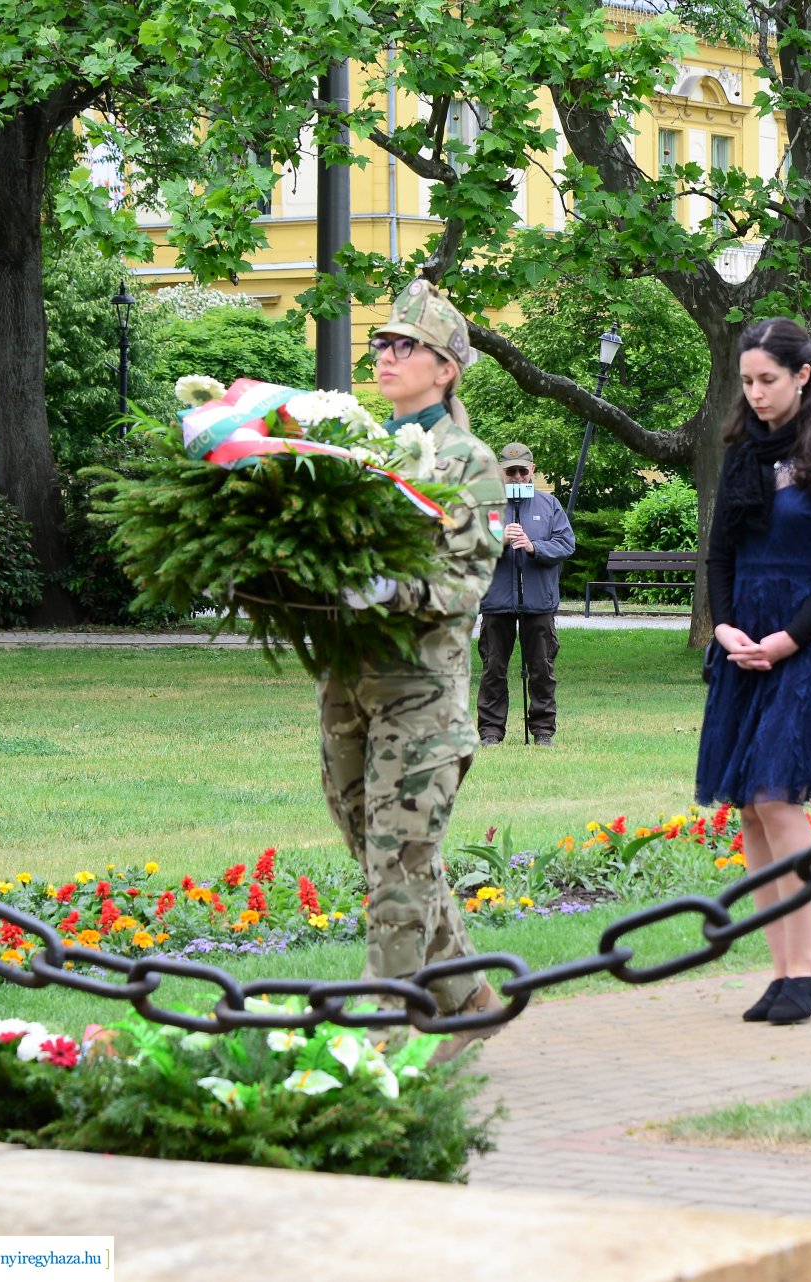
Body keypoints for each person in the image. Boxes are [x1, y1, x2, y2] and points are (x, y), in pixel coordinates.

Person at [325, 279, 506, 1064]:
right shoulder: (360, 450)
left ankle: (385, 1044)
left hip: (422, 693)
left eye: (406, 345)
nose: (386, 355)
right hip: (349, 683)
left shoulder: (468, 461)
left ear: (447, 368)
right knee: (379, 852)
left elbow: (467, 582)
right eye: (381, 342)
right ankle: (469, 998)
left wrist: (385, 589)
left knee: (398, 868)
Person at [697, 318, 811, 1027]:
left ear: (803, 376)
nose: (755, 393)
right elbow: (719, 554)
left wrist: (788, 640)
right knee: (749, 805)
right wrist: (726, 627)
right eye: (747, 381)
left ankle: (803, 970)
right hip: (745, 643)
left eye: (767, 379)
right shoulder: (742, 456)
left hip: (810, 643)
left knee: (777, 797)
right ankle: (782, 971)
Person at [477, 442, 576, 747]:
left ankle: (543, 731)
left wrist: (534, 547)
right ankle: (491, 732)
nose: (518, 476)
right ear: (501, 473)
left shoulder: (549, 505)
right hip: (497, 602)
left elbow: (566, 544)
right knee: (493, 668)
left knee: (542, 668)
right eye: (511, 472)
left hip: (538, 602)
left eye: (523, 470)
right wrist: (499, 541)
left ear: (532, 470)